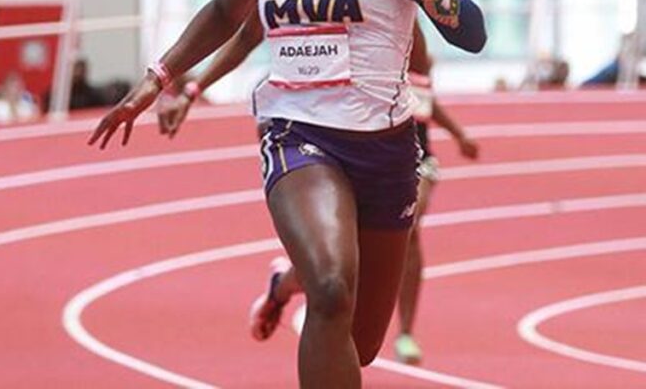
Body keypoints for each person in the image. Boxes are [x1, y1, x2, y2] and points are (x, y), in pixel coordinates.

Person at [90, 0, 486, 385]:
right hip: (298, 135)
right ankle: (303, 282)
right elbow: (229, 13)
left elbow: (471, 33)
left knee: (360, 342)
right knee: (329, 288)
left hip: (387, 148)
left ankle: (285, 285)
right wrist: (161, 78)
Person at [160, 21, 480, 364]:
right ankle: (283, 285)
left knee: (404, 236)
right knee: (339, 268)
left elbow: (427, 98)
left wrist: (459, 134)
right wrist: (187, 88)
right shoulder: (318, 31)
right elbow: (242, 26)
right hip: (336, 148)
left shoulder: (407, 33)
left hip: (412, 159)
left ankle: (405, 333)